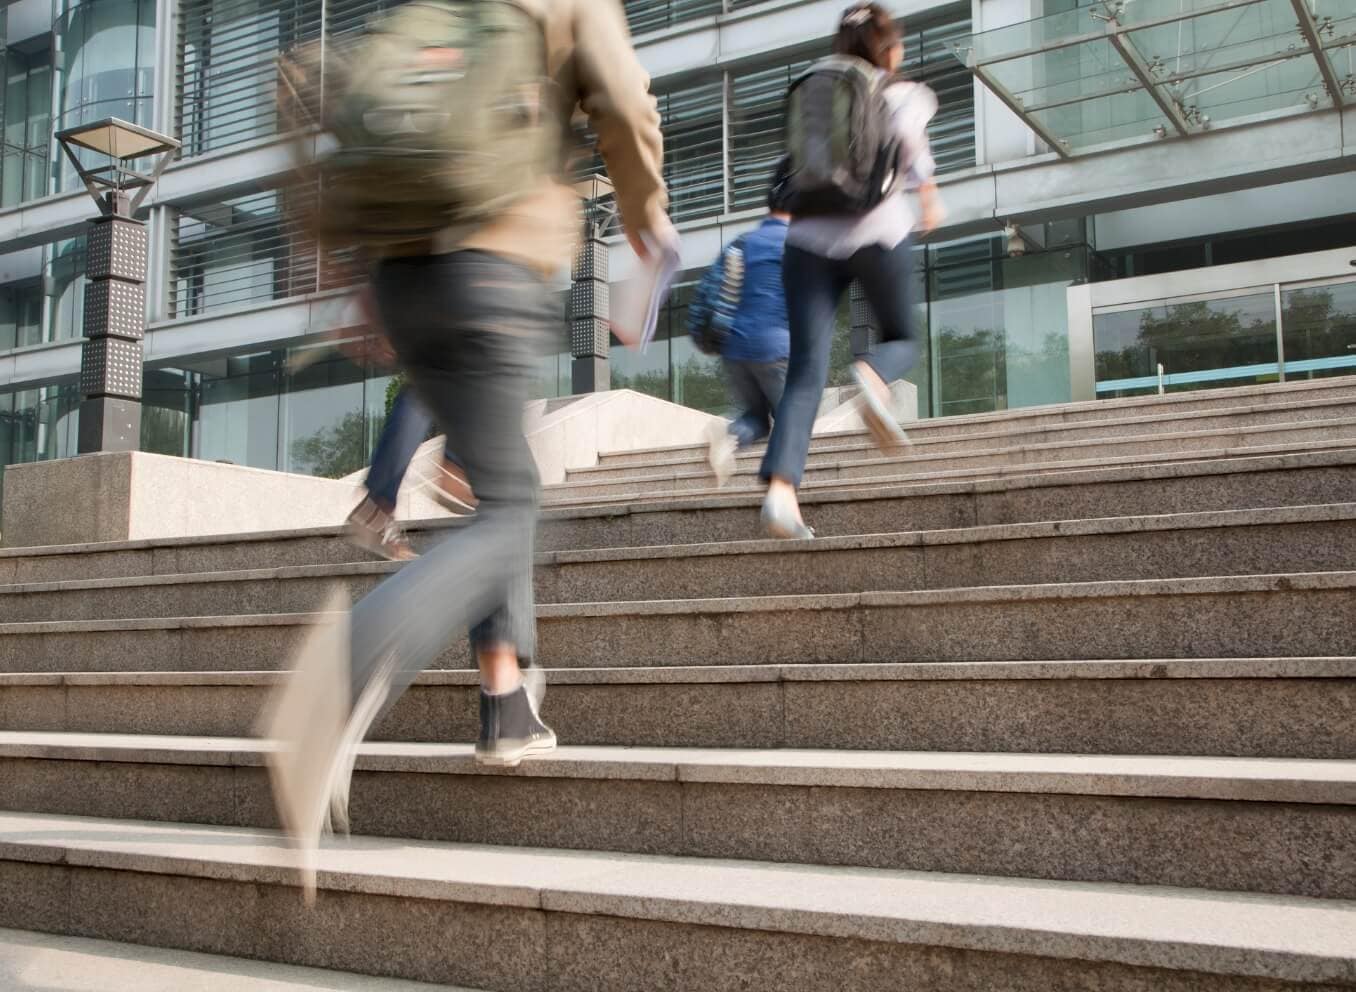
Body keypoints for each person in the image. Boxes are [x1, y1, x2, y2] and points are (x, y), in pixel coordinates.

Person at [263, 0, 671, 899]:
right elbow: (628, 105)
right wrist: (648, 217)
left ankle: (506, 706)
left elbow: (361, 119)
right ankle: (348, 668)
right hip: (493, 266)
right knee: (514, 511)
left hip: (404, 278)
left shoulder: (432, 10)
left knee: (497, 493)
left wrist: (362, 273)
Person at [759, 2, 944, 539]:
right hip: (876, 232)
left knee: (804, 374)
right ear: (889, 49)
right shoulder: (906, 94)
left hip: (806, 240)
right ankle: (872, 375)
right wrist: (929, 201)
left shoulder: (819, 89)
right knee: (902, 337)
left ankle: (781, 493)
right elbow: (914, 159)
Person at [693, 163, 794, 486]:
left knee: (756, 418)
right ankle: (782, 495)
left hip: (734, 348)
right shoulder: (796, 245)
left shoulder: (742, 242)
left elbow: (713, 290)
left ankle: (729, 436)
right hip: (775, 348)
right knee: (793, 419)